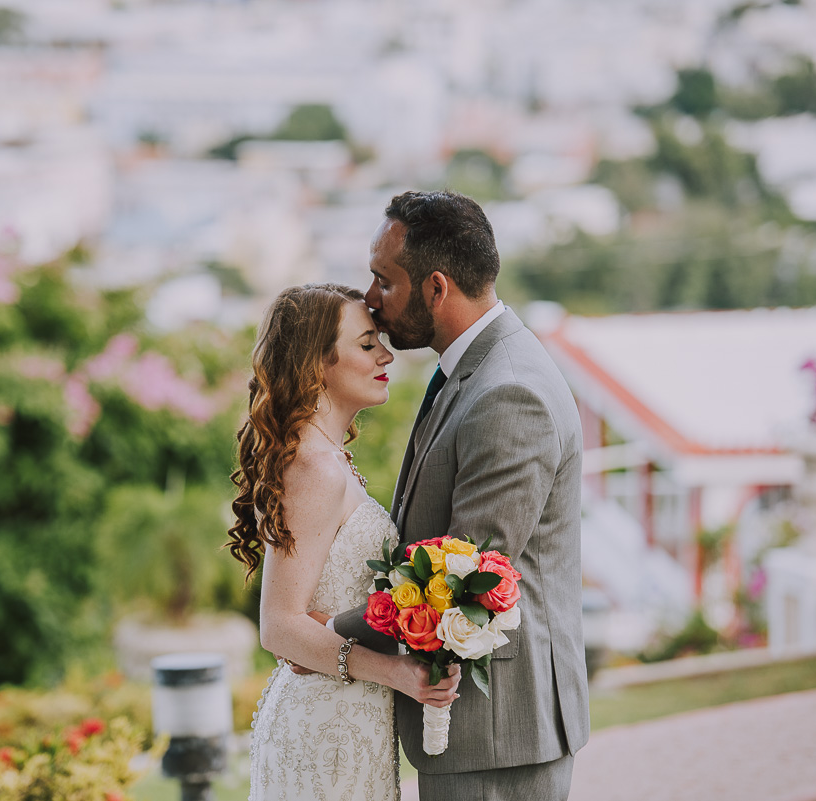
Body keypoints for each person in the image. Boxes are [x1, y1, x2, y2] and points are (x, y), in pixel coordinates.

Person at [323, 190, 591, 800]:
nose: (369, 299)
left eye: (383, 281)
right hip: (477, 732)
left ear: (436, 287)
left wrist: (322, 634)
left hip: (498, 734)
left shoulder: (509, 393)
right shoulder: (469, 368)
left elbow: (462, 580)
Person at [227, 282, 461, 801]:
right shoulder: (312, 466)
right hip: (326, 732)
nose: (386, 354)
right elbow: (280, 625)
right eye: (366, 343)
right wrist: (397, 672)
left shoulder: (328, 457)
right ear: (317, 364)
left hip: (350, 717)